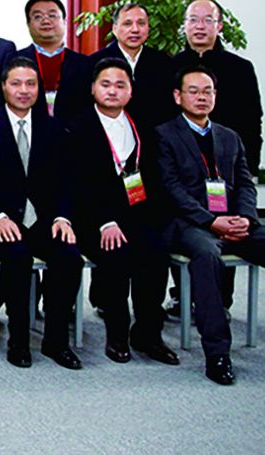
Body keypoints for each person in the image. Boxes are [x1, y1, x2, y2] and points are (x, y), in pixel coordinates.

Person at [157, 64, 265, 384]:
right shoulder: (164, 135)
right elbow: (171, 189)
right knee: (207, 257)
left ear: (215, 96)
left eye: (207, 91)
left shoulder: (230, 136)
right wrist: (211, 221)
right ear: (178, 96)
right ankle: (218, 354)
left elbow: (246, 184)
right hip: (191, 224)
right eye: (193, 91)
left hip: (236, 221)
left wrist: (245, 218)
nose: (201, 97)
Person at [0, 57, 84, 370]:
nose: (24, 90)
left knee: (69, 257)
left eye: (31, 84)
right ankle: (19, 341)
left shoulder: (54, 127)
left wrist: (63, 217)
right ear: (3, 87)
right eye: (16, 83)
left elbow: (66, 180)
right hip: (0, 220)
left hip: (44, 220)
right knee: (18, 257)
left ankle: (56, 342)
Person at [66, 58, 177, 366]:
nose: (112, 91)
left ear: (130, 90)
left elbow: (153, 178)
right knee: (116, 254)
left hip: (135, 215)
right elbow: (77, 184)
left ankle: (148, 333)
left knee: (156, 252)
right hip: (94, 220)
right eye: (105, 84)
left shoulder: (142, 126)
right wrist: (105, 221)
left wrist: (149, 219)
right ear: (93, 88)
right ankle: (117, 333)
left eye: (120, 85)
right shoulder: (77, 126)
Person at [173, 0, 263, 170]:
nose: (200, 26)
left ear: (219, 26)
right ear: (184, 25)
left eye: (208, 20)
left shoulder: (240, 68)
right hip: (179, 166)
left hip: (229, 163)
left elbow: (252, 121)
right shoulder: (169, 67)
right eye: (193, 20)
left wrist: (250, 168)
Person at [94, 2, 176, 137]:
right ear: (115, 29)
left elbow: (169, 108)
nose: (135, 29)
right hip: (107, 137)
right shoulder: (94, 62)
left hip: (155, 139)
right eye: (127, 24)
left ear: (148, 28)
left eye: (141, 23)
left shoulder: (164, 63)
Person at [22, 0, 91, 123]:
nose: (46, 21)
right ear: (28, 24)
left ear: (64, 22)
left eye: (52, 15)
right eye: (37, 16)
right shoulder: (14, 60)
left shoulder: (85, 63)